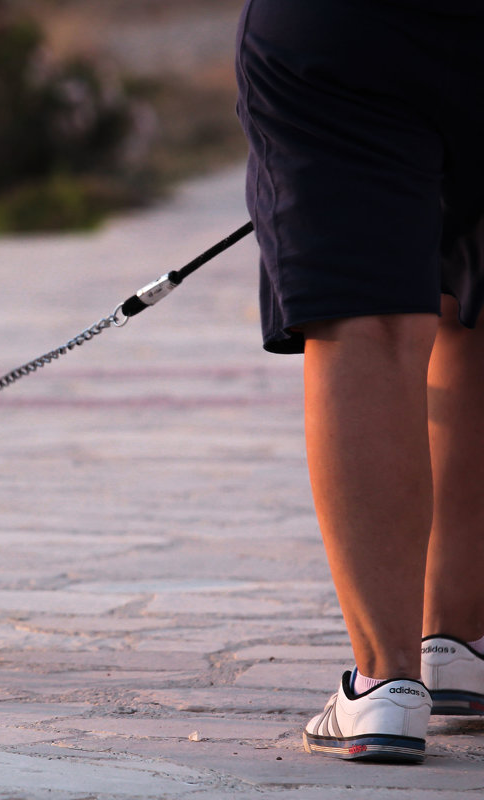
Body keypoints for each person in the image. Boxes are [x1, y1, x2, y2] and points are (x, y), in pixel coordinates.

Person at [236, 0, 484, 763]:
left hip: (346, 29)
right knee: (475, 315)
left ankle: (386, 686)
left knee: (368, 322)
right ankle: (461, 641)